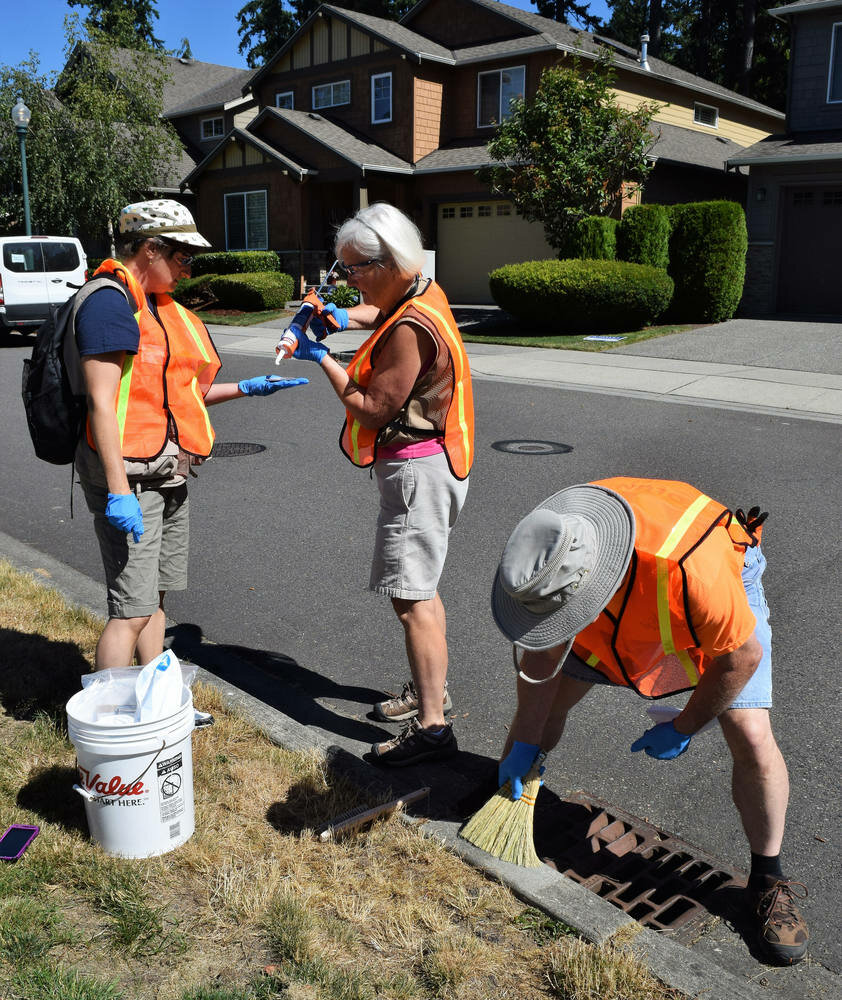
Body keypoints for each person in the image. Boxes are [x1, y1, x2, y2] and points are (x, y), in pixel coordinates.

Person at [490, 477, 809, 966]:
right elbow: (541, 660)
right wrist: (525, 744)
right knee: (546, 709)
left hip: (713, 577)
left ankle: (769, 879)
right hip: (614, 600)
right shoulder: (548, 551)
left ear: (592, 586)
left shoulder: (694, 575)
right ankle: (509, 804)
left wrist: (685, 726)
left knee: (750, 734)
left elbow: (740, 658)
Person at [75, 199, 307, 671]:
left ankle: (153, 698)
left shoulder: (159, 307)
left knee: (155, 599)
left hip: (168, 470)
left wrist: (245, 388)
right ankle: (111, 712)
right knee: (130, 611)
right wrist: (118, 491)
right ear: (151, 249)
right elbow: (101, 403)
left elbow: (179, 394)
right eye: (183, 257)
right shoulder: (108, 302)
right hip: (131, 479)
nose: (188, 270)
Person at [289, 202, 474, 766]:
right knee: (423, 590)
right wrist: (342, 319)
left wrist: (321, 356)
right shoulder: (422, 291)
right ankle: (430, 691)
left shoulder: (411, 328)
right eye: (342, 270)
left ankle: (433, 728)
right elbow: (381, 312)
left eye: (354, 270)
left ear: (388, 261)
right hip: (438, 462)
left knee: (411, 598)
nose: (348, 282)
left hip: (418, 472)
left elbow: (371, 407)